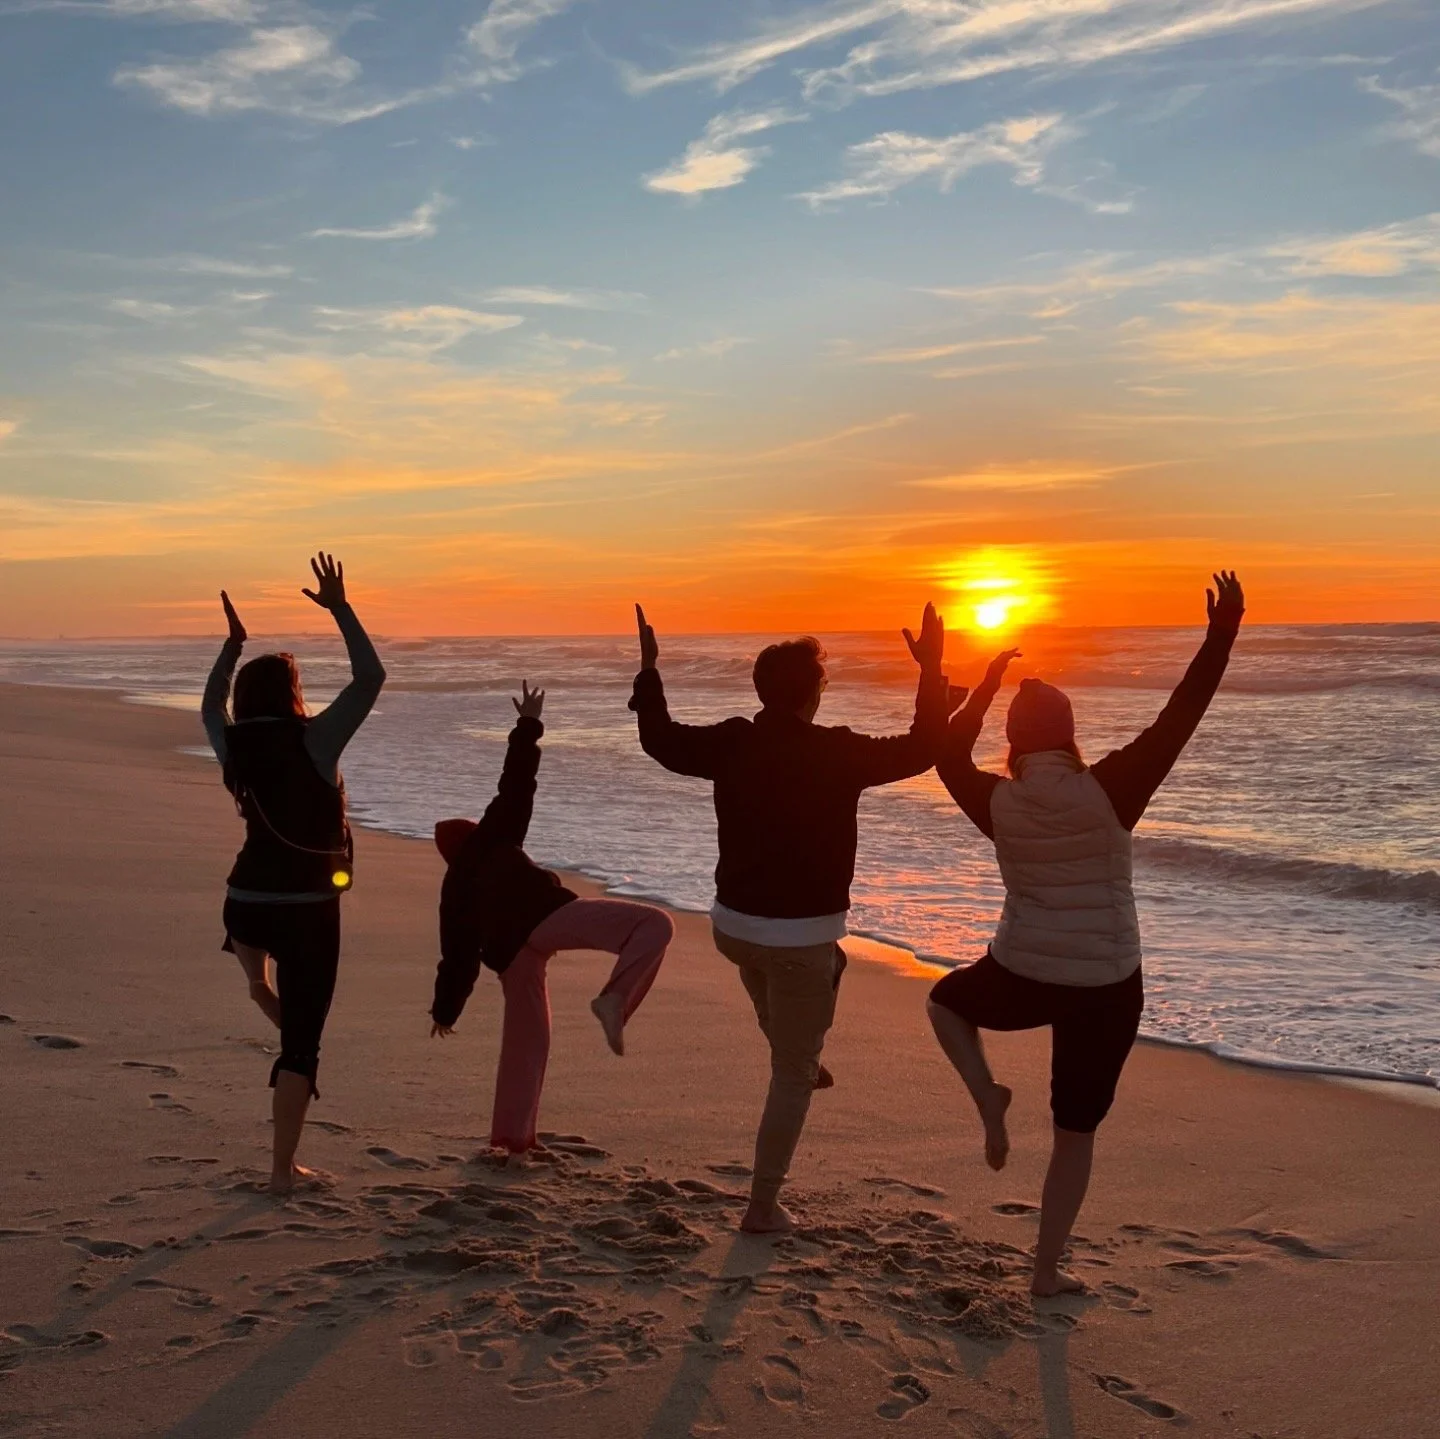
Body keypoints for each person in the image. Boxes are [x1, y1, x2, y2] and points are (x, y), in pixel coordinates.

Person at [927, 571, 1245, 1296]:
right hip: (1106, 984)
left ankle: (987, 1096)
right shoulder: (1113, 787)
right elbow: (1182, 712)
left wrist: (979, 687)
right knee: (1075, 1132)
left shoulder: (997, 800)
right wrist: (1221, 631)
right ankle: (1044, 1271)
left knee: (946, 1002)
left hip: (1024, 970)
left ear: (1014, 744)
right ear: (1069, 736)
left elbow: (943, 752)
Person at [629, 603, 952, 1234]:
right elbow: (926, 748)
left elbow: (659, 741)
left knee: (828, 966)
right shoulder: (838, 752)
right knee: (792, 1071)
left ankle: (797, 1046)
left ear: (762, 692)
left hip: (732, 931)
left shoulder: (733, 741)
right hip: (798, 939)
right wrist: (932, 667)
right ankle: (762, 1205)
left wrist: (650, 670)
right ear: (817, 694)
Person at [201, 553, 386, 1195]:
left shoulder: (234, 746)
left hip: (243, 902)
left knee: (262, 966)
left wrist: (232, 645)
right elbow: (370, 678)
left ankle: (256, 981)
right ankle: (282, 1171)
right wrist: (339, 608)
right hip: (306, 907)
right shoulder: (317, 742)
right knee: (301, 1045)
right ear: (293, 697)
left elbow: (208, 708)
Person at [430, 682, 673, 1156]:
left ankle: (512, 1139)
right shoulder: (495, 840)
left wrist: (445, 1011)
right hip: (545, 919)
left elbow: (455, 953)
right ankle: (615, 1001)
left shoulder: (454, 888)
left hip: (510, 957)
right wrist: (529, 726)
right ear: (474, 835)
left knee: (527, 1045)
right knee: (654, 925)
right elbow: (515, 786)